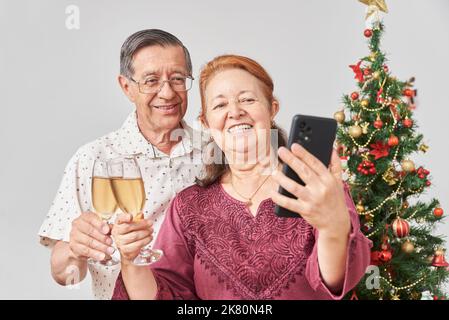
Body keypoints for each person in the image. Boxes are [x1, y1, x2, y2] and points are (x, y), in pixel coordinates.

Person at [111, 54, 372, 300]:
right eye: (220, 104)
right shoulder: (188, 207)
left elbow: (335, 282)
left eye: (247, 99)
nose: (235, 112)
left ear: (272, 109)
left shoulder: (315, 188)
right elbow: (166, 293)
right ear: (206, 122)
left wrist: (333, 228)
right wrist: (131, 261)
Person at [38, 29, 206, 299]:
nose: (167, 93)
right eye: (151, 81)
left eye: (177, 79)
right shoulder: (92, 158)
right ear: (127, 87)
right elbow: (64, 273)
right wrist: (75, 250)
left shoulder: (217, 152)